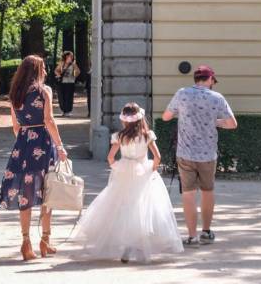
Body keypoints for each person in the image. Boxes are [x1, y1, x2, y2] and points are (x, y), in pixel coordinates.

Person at [71, 102, 183, 263]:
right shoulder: (147, 135)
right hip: (143, 171)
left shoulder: (119, 136)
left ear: (124, 120)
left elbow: (110, 158)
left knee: (122, 206)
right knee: (144, 207)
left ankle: (126, 247)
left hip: (124, 171)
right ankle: (141, 247)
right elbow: (157, 157)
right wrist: (151, 169)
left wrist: (118, 167)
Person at [0, 55, 68, 261]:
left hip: (23, 144)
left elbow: (16, 127)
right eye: (43, 68)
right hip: (43, 144)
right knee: (48, 192)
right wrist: (60, 146)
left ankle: (26, 242)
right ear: (37, 70)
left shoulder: (15, 94)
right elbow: (49, 120)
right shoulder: (44, 91)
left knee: (25, 194)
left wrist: (25, 142)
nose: (45, 71)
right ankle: (45, 241)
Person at [161, 65, 237, 246]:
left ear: (196, 79)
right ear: (210, 80)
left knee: (188, 194)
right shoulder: (217, 98)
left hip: (185, 153)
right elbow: (232, 123)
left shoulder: (182, 94)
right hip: (208, 154)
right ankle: (206, 232)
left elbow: (165, 117)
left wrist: (182, 115)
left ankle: (192, 236)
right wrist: (215, 122)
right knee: (207, 191)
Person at [54, 51, 79, 117]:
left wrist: (74, 73)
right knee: (62, 97)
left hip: (70, 82)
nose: (70, 58)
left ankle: (68, 110)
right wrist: (59, 74)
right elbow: (56, 71)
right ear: (65, 57)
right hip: (62, 83)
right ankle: (64, 110)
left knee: (69, 97)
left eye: (71, 56)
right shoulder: (62, 63)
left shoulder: (73, 64)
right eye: (69, 56)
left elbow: (77, 72)